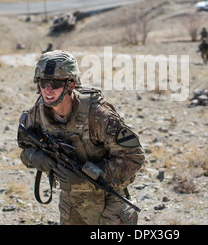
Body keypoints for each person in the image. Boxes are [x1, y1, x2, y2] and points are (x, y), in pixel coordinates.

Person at [17, 50, 145, 225]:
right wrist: (35, 157)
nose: (47, 89)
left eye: (55, 83)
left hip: (109, 201)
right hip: (72, 202)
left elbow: (133, 156)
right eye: (43, 82)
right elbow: (25, 147)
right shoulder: (37, 115)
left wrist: (91, 176)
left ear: (71, 85)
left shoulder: (98, 115)